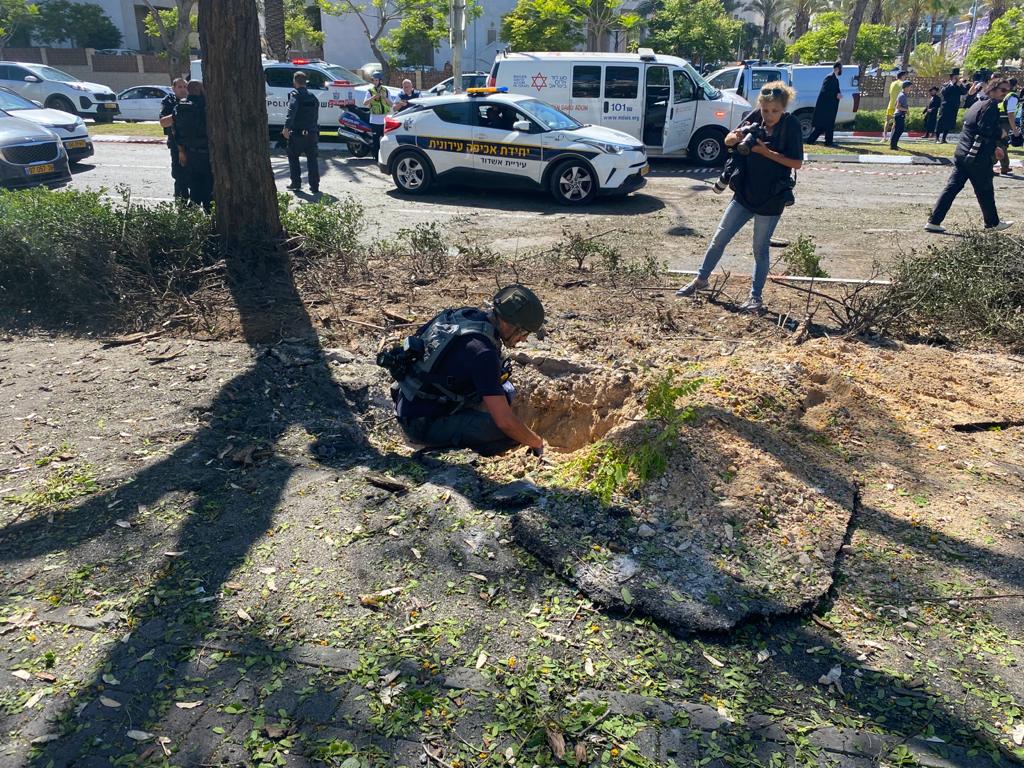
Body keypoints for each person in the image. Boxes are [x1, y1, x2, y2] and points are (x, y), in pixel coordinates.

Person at [675, 82, 803, 313]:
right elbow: (727, 140)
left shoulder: (791, 126)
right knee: (719, 238)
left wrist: (765, 152)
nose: (769, 116)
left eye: (774, 111)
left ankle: (755, 298)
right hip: (744, 192)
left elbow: (796, 163)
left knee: (759, 249)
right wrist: (736, 138)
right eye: (765, 110)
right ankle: (701, 280)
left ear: (783, 108)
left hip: (771, 198)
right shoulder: (756, 117)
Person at [389, 285, 547, 457]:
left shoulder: (465, 315)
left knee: (507, 390)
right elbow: (506, 423)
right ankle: (441, 452)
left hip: (407, 399)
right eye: (523, 332)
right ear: (508, 323)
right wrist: (536, 442)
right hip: (421, 424)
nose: (524, 339)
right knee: (509, 435)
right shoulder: (483, 352)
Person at [925, 78, 1015, 233]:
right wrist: (1001, 133)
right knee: (985, 190)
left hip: (962, 153)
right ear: (993, 88)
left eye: (1007, 91)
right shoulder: (991, 105)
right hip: (977, 157)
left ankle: (934, 221)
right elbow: (985, 129)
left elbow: (974, 130)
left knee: (951, 188)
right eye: (1003, 90)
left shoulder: (977, 103)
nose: (1005, 94)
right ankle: (992, 223)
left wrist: (994, 147)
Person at [172, 81, 212, 212]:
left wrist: (181, 151)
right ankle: (210, 220)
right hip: (206, 154)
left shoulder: (179, 107)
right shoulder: (205, 106)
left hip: (189, 154)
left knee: (195, 187)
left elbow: (175, 132)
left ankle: (189, 217)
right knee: (208, 191)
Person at [283, 71, 320, 193]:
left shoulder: (295, 96)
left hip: (298, 134)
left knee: (293, 157)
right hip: (312, 133)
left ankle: (296, 183)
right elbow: (315, 115)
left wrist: (286, 128)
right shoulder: (313, 97)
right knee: (312, 160)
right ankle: (314, 186)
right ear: (305, 82)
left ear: (295, 82)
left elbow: (291, 113)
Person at [159, 77, 189, 201]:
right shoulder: (169, 102)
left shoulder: (193, 100)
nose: (183, 90)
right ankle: (181, 206)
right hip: (176, 145)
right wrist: (178, 113)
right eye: (180, 87)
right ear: (173, 88)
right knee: (179, 177)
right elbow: (163, 122)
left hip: (193, 145)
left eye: (185, 87)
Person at [806, 61, 842, 146]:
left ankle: (828, 142)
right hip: (825, 107)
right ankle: (813, 141)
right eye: (841, 68)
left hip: (830, 106)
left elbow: (835, 90)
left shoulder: (835, 78)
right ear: (837, 68)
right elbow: (824, 91)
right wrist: (836, 94)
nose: (841, 70)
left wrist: (838, 94)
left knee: (827, 125)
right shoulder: (829, 78)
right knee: (822, 126)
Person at [363, 72, 392, 158]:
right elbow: (365, 103)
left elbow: (391, 104)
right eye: (374, 80)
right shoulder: (370, 91)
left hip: (384, 120)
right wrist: (374, 97)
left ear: (381, 81)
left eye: (376, 80)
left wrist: (384, 97)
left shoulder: (386, 91)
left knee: (385, 140)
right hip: (375, 121)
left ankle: (385, 157)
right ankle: (376, 157)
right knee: (376, 141)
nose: (375, 82)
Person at [996, 77, 1019, 175]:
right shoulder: (1012, 97)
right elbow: (1010, 114)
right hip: (1004, 122)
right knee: (1001, 144)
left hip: (998, 120)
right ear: (1015, 85)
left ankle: (1005, 166)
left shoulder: (1004, 95)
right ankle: (992, 166)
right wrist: (1014, 129)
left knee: (1002, 144)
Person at [937, 71, 965, 143]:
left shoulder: (959, 85)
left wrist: (960, 85)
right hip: (945, 106)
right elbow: (943, 92)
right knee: (941, 121)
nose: (957, 78)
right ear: (952, 77)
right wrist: (952, 84)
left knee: (949, 122)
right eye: (955, 76)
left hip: (954, 107)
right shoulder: (946, 84)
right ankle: (937, 137)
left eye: (957, 76)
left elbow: (964, 92)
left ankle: (944, 138)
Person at [883, 70, 908, 143]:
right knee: (895, 122)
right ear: (902, 76)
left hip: (891, 104)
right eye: (905, 76)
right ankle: (891, 137)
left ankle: (884, 137)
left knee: (887, 121)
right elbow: (903, 94)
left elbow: (890, 93)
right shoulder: (903, 84)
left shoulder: (892, 83)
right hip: (898, 105)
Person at [890, 80, 911, 151]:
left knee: (899, 130)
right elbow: (898, 107)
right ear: (905, 87)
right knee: (899, 130)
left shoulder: (902, 95)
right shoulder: (902, 96)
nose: (910, 89)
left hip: (900, 115)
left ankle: (894, 145)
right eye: (909, 87)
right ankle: (893, 146)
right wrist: (906, 110)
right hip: (899, 115)